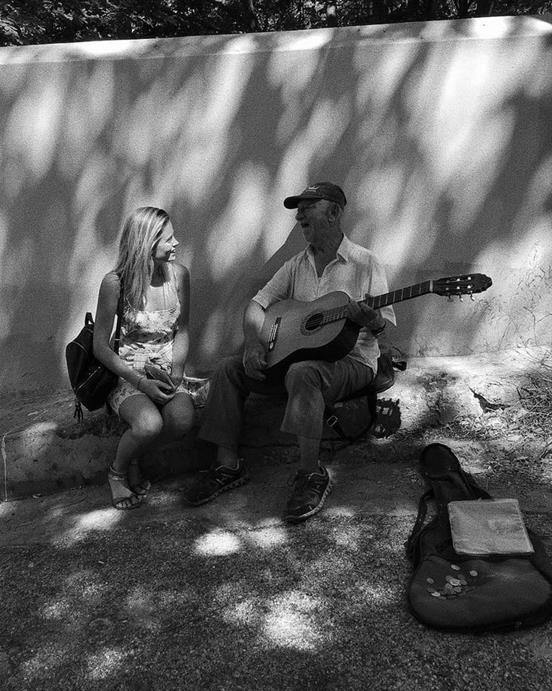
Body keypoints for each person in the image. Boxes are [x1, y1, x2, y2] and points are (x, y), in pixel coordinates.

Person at [184, 182, 396, 523]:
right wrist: (254, 343)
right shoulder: (296, 264)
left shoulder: (366, 262)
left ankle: (312, 474)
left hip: (352, 361)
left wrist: (370, 318)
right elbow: (257, 305)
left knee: (303, 372)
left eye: (308, 206)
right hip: (295, 360)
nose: (299, 214)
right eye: (299, 208)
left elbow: (384, 325)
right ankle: (227, 465)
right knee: (227, 368)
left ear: (335, 212)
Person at [93, 207, 195, 510]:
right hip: (129, 374)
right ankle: (118, 472)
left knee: (182, 420)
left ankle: (136, 456)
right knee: (149, 424)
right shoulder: (115, 283)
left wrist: (176, 372)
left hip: (166, 372)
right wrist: (140, 382)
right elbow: (101, 346)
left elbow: (183, 330)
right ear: (147, 244)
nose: (176, 244)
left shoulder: (180, 276)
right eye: (169, 239)